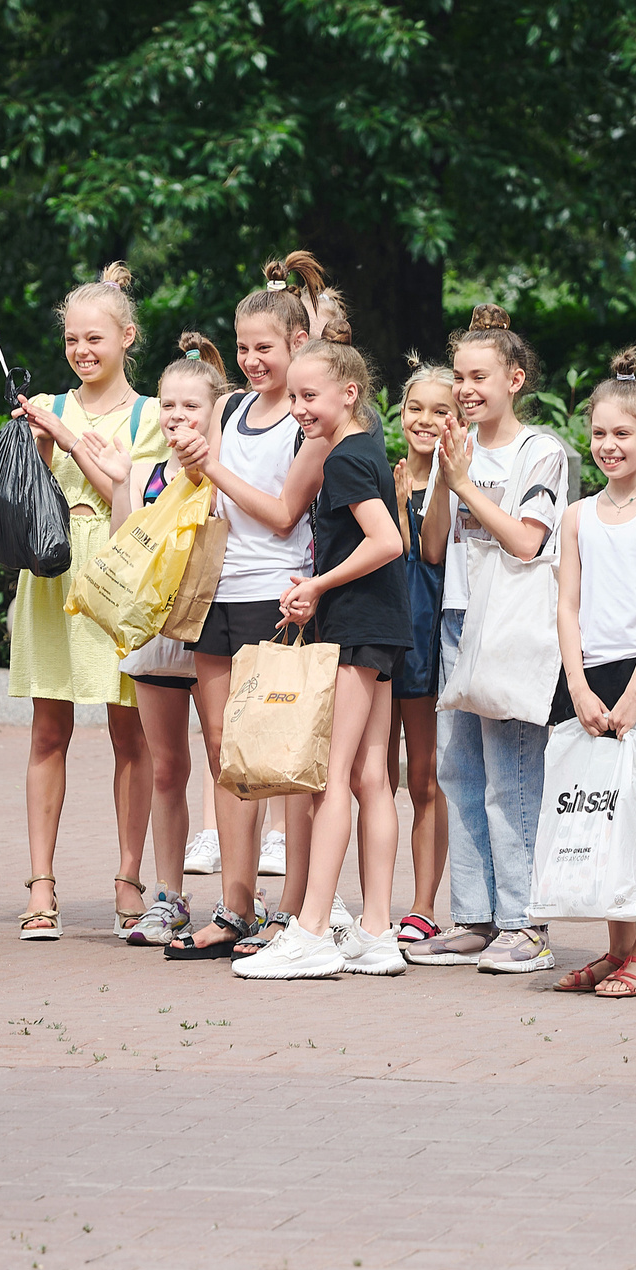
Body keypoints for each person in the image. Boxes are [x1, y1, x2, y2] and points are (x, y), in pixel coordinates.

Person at [164, 258, 335, 959]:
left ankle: (292, 911)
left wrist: (213, 468)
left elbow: (281, 512)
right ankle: (235, 907)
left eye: (265, 346)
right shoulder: (230, 408)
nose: (251, 359)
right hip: (217, 591)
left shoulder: (311, 423)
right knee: (225, 753)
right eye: (242, 347)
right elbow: (215, 502)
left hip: (279, 597)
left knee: (281, 757)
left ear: (298, 342)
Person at [232, 340, 410, 979]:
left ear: (349, 393)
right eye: (297, 395)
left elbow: (387, 542)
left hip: (359, 628)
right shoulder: (367, 447)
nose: (299, 408)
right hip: (382, 626)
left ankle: (310, 931)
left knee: (332, 778)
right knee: (371, 777)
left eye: (310, 397)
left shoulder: (344, 460)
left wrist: (317, 586)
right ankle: (377, 931)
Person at [403, 305, 570, 976]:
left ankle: (525, 925)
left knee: (513, 778)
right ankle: (474, 917)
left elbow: (529, 541)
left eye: (480, 377)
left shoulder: (541, 451)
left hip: (513, 626)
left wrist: (468, 479)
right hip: (457, 621)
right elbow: (434, 544)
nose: (467, 390)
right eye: (461, 379)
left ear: (515, 379)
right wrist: (447, 473)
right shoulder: (459, 448)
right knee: (459, 774)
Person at [7, 266, 170, 940]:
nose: (82, 350)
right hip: (53, 574)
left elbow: (141, 501)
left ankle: (130, 877)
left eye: (95, 337)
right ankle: (41, 882)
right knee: (49, 730)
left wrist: (68, 441)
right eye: (73, 338)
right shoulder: (48, 403)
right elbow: (21, 504)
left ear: (128, 337)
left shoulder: (153, 415)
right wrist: (39, 448)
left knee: (133, 733)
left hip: (119, 576)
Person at [548, 349, 636, 1001]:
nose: (608, 445)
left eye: (622, 433)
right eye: (599, 433)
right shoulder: (576, 516)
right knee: (602, 815)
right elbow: (568, 604)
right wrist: (577, 684)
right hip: (587, 679)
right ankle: (617, 948)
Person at [113, 336, 233, 946]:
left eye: (191, 405)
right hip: (157, 637)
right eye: (168, 405)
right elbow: (123, 552)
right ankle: (169, 897)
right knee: (167, 768)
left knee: (227, 763)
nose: (178, 416)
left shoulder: (227, 472)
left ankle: (240, 900)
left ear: (216, 408)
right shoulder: (142, 473)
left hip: (216, 632)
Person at [389, 360, 455, 946]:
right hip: (381, 639)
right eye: (416, 408)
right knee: (373, 777)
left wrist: (435, 480)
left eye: (441, 410)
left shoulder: (457, 483)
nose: (425, 420)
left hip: (429, 641)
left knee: (426, 780)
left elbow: (429, 553)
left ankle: (423, 904)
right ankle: (371, 905)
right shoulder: (383, 476)